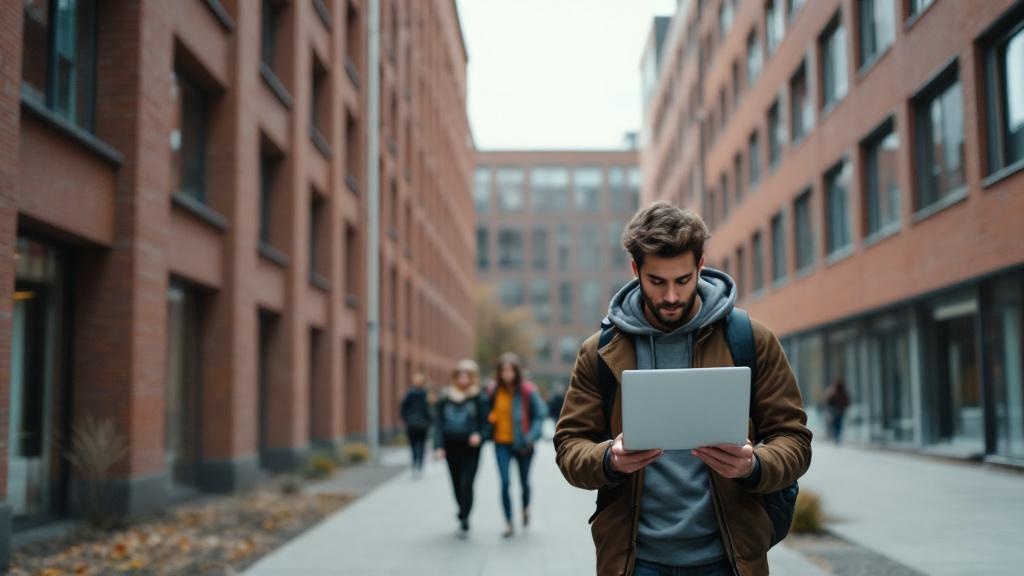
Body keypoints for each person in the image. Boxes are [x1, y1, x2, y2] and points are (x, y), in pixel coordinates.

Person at [554, 202, 812, 576]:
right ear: (635, 271)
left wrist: (754, 464)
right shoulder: (600, 351)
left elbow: (794, 440)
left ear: (700, 267)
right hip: (634, 560)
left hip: (729, 557)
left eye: (683, 280)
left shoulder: (750, 339)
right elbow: (569, 446)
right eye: (657, 281)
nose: (671, 296)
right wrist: (609, 458)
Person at [486, 352, 546, 538]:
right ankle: (508, 522)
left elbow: (540, 414)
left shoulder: (527, 390)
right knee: (504, 483)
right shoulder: (493, 390)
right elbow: (486, 411)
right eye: (504, 370)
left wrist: (530, 437)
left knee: (524, 483)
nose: (507, 374)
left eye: (510, 370)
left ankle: (525, 507)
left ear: (516, 371)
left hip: (523, 445)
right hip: (501, 443)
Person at [434, 359, 489, 539]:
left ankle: (464, 517)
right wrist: (439, 446)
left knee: (467, 483)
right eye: (460, 375)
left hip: (471, 448)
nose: (463, 379)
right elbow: (438, 424)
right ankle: (462, 509)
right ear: (455, 377)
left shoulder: (479, 397)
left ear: (472, 378)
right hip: (451, 447)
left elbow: (486, 422)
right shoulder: (445, 397)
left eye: (467, 376)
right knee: (456, 483)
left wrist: (479, 435)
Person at [400, 373, 432, 478]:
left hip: (421, 424)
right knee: (414, 445)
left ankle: (419, 465)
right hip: (413, 424)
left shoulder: (425, 394)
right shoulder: (412, 394)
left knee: (421, 445)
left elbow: (430, 408)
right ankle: (415, 464)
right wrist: (406, 419)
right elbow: (403, 407)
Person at [823, 377, 851, 444]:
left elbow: (828, 400)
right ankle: (837, 435)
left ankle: (836, 435)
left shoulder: (833, 390)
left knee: (836, 423)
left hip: (835, 409)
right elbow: (846, 400)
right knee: (838, 423)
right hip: (839, 409)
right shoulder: (842, 390)